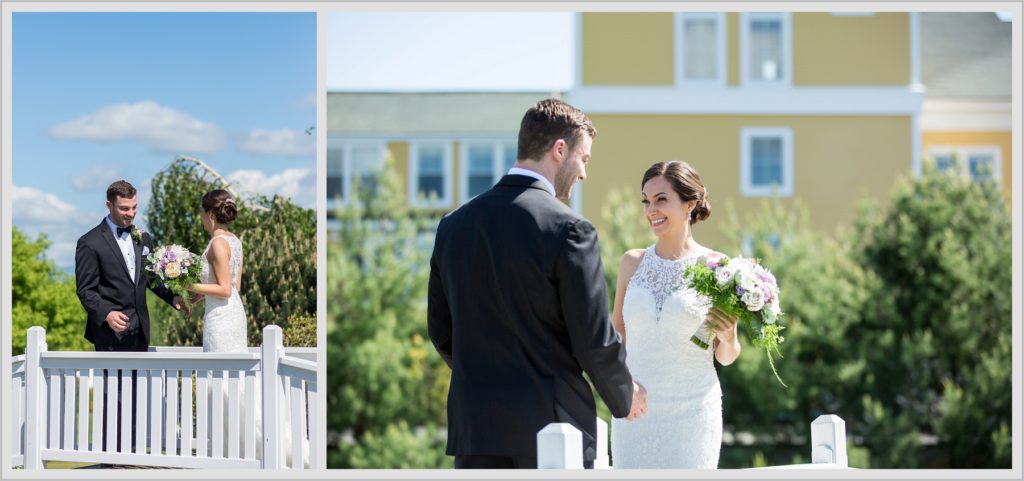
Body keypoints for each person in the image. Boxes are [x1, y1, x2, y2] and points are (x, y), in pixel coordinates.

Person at [428, 98, 647, 470]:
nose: (584, 173)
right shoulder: (572, 230)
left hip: (476, 427)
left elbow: (441, 331)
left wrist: (487, 375)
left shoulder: (453, 226)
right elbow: (592, 340)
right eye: (585, 159)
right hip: (552, 428)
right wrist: (626, 395)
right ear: (560, 150)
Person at [609, 161, 741, 469]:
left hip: (693, 414)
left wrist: (729, 337)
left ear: (690, 204)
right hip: (635, 411)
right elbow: (616, 335)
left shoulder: (718, 266)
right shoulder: (631, 263)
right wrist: (619, 388)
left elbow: (726, 356)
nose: (651, 209)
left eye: (661, 199)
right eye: (646, 200)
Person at [186, 189, 308, 467]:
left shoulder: (217, 242)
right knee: (233, 381)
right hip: (233, 315)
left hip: (221, 318)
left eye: (202, 214)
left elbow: (226, 288)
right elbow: (235, 286)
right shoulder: (235, 241)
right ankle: (236, 446)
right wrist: (203, 293)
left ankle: (237, 447)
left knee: (225, 381)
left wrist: (189, 285)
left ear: (209, 214)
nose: (202, 219)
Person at [75, 179, 187, 452]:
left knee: (136, 395)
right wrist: (107, 314)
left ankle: (132, 453)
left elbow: (150, 278)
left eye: (134, 207)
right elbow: (86, 290)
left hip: (140, 328)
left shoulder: (143, 237)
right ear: (109, 205)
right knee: (112, 395)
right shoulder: (89, 242)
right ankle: (111, 456)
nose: (131, 213)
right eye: (124, 208)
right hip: (109, 331)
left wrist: (172, 297)